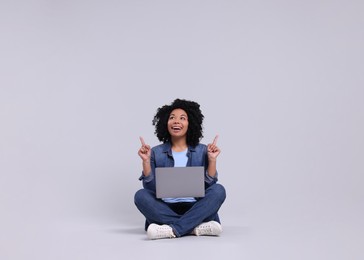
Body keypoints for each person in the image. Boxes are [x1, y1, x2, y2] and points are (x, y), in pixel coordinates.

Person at [134, 98, 226, 240]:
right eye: (172, 118)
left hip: (196, 206)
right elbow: (151, 188)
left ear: (190, 124)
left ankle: (172, 229)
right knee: (140, 195)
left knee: (219, 190)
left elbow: (209, 185)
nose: (176, 121)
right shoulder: (156, 152)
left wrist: (212, 159)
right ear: (166, 123)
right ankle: (195, 227)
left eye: (182, 118)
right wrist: (146, 161)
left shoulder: (202, 151)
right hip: (165, 207)